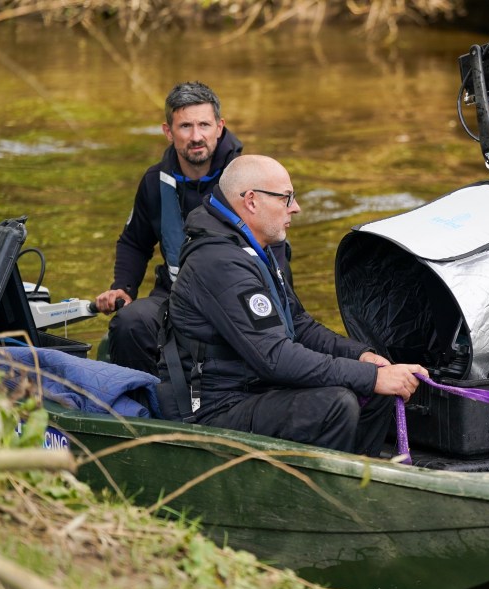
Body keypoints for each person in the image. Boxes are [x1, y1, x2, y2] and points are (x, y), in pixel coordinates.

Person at [157, 155, 428, 456]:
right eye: (286, 198)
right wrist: (370, 377)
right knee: (336, 404)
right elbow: (274, 357)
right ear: (251, 201)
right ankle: (319, 494)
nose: (295, 208)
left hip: (255, 388)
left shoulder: (253, 248)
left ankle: (358, 481)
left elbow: (298, 323)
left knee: (375, 390)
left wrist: (363, 357)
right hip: (215, 409)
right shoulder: (219, 262)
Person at [95, 81, 289, 376]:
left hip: (236, 299)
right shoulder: (154, 182)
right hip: (175, 298)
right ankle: (145, 409)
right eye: (185, 126)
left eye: (204, 125)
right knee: (129, 323)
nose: (196, 136)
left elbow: (275, 248)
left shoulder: (248, 180)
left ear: (220, 127)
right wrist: (123, 286)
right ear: (168, 131)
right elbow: (134, 242)